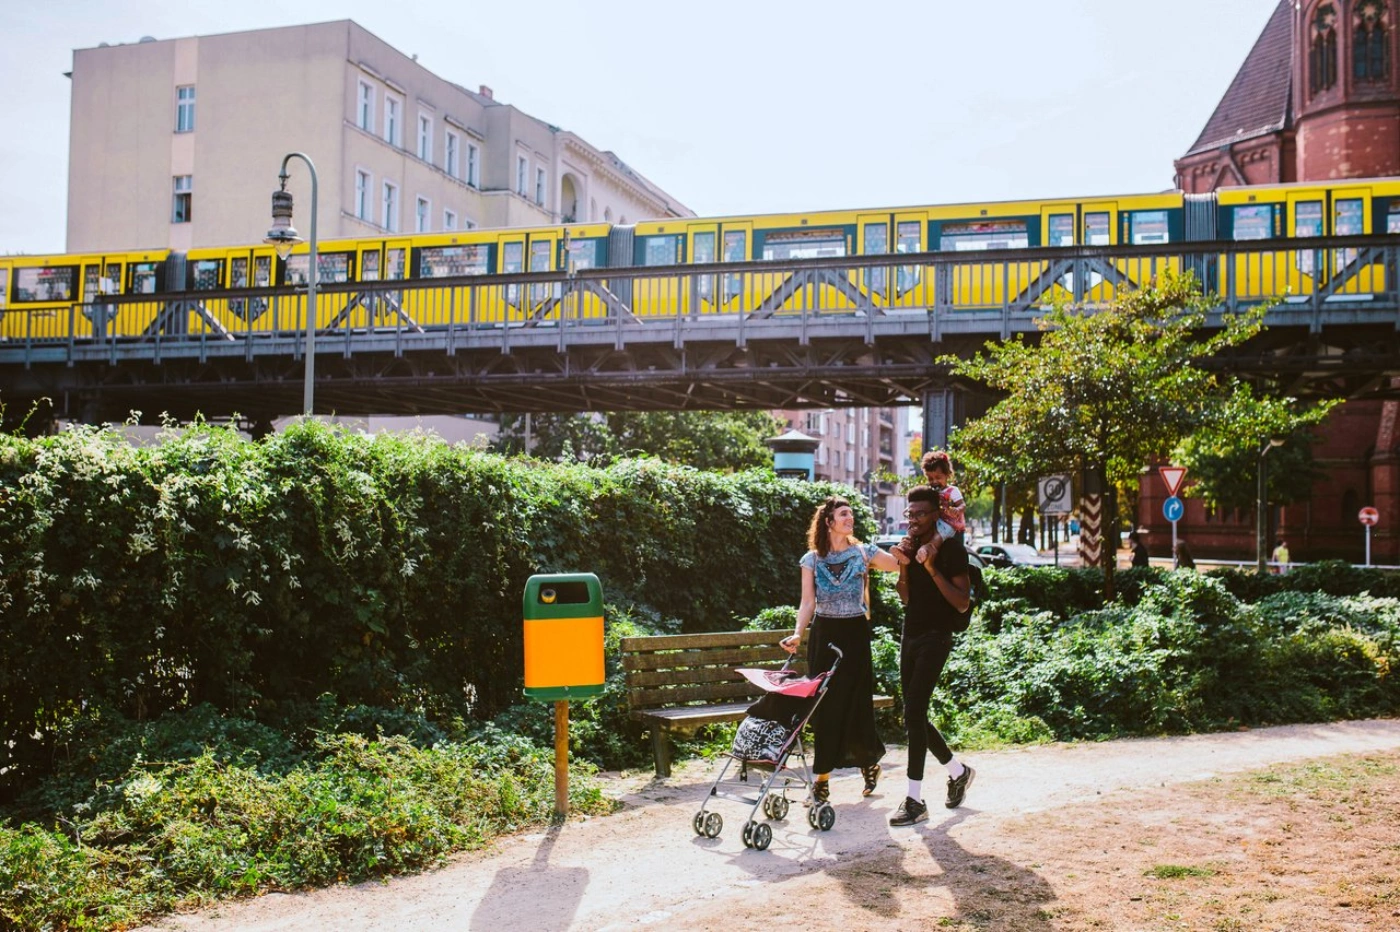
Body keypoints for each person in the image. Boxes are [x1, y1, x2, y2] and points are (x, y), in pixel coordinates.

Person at [781, 496, 905, 804]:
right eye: (844, 514)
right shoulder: (811, 559)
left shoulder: (863, 552)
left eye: (850, 514)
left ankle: (868, 763)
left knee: (855, 703)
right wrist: (798, 633)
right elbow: (807, 602)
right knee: (825, 705)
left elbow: (897, 565)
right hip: (825, 633)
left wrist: (906, 544)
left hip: (855, 633)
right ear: (829, 522)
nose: (850, 518)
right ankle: (821, 779)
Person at [887, 484, 976, 826]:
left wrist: (932, 568)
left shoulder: (952, 550)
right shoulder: (910, 546)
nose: (914, 520)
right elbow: (906, 598)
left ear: (937, 515)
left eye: (921, 514)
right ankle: (958, 771)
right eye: (910, 514)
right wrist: (906, 566)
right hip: (910, 634)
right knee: (913, 716)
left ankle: (914, 800)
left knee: (915, 711)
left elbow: (962, 601)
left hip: (936, 637)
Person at [920, 450, 967, 547]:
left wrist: (957, 510)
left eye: (938, 477)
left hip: (950, 526)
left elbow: (962, 505)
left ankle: (928, 549)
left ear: (947, 475)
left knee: (939, 535)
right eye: (930, 479)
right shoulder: (930, 492)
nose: (934, 481)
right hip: (935, 524)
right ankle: (906, 548)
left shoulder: (952, 490)